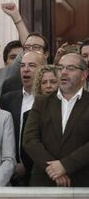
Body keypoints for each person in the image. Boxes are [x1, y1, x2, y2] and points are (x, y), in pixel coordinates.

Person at [23, 53, 89, 187]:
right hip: (44, 181)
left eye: (70, 68)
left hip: (81, 181)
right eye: (60, 68)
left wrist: (65, 165)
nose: (63, 72)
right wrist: (53, 169)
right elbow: (29, 139)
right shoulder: (42, 102)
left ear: (84, 75)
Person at [0, 51, 47, 186]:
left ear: (42, 69)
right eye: (22, 66)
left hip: (40, 172)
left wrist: (27, 165)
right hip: (10, 172)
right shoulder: (7, 99)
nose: (25, 69)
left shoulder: (49, 100)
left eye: (32, 65)